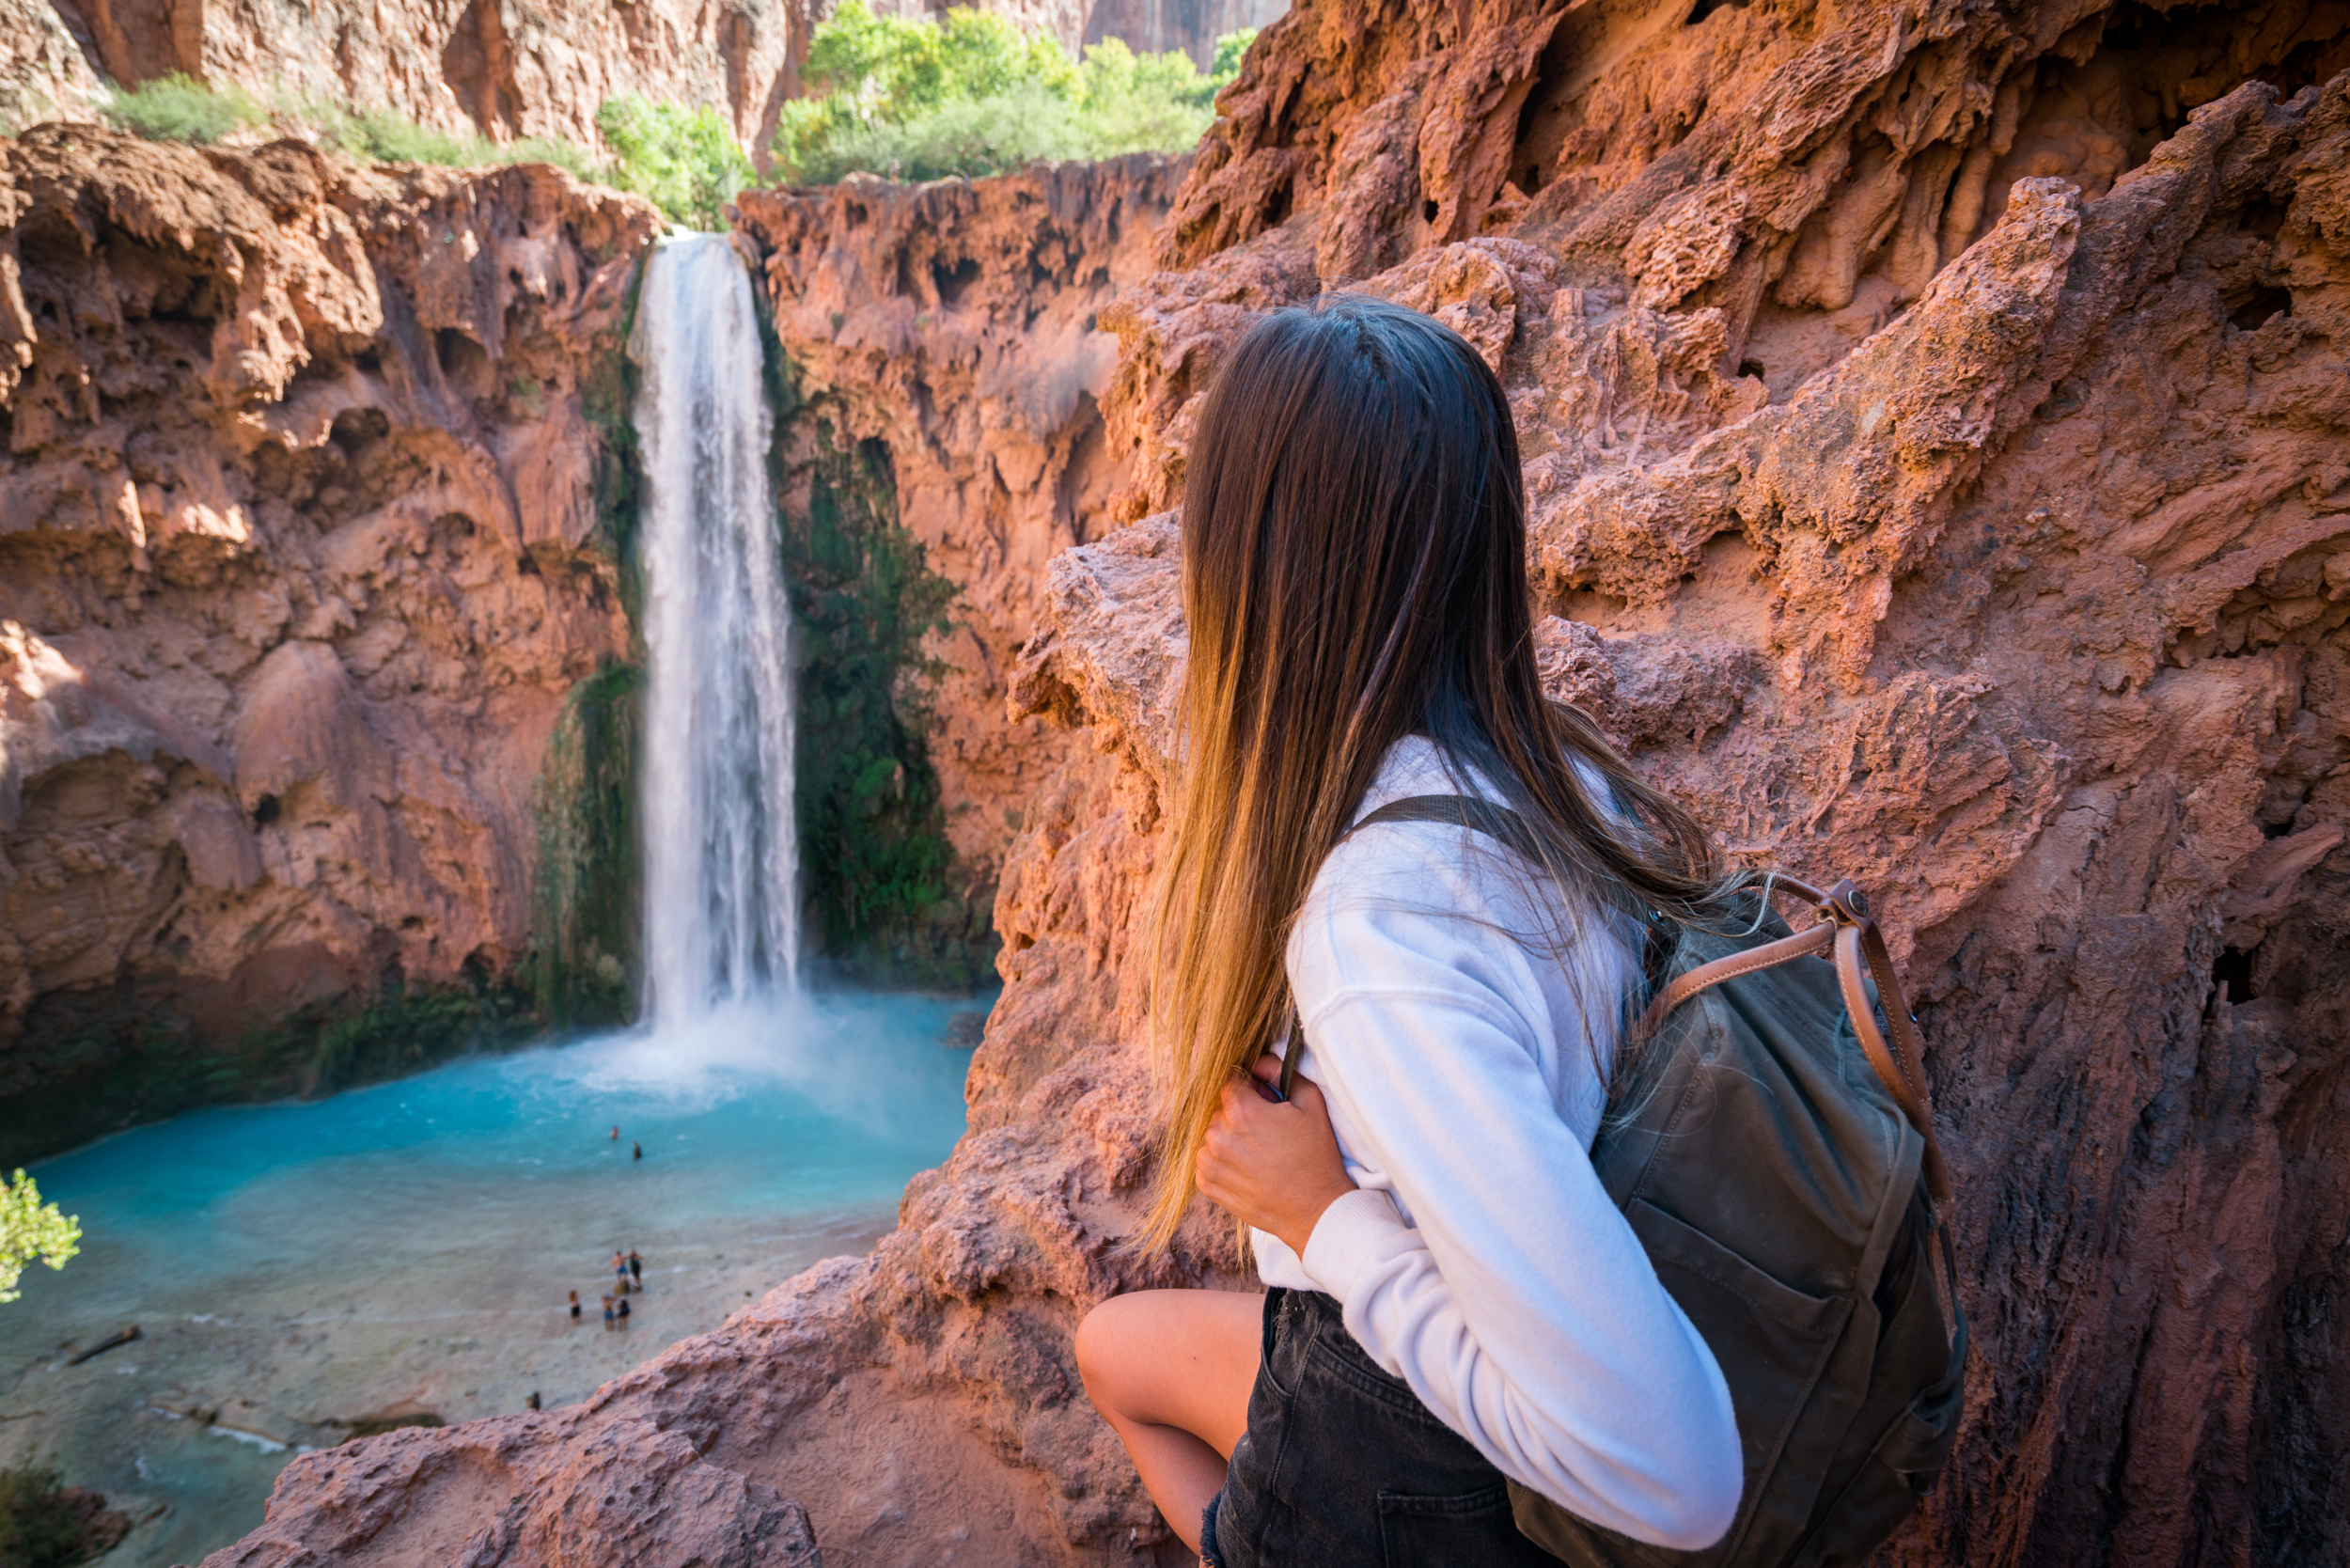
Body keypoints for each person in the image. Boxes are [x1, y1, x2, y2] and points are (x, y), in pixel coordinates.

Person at [1071, 297, 1747, 1566]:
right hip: (1427, 1339)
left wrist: (1321, 1212)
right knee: (1111, 1349)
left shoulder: (1378, 935)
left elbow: (1678, 1472)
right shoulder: (1561, 789)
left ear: (1249, 571)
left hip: (1427, 1472)